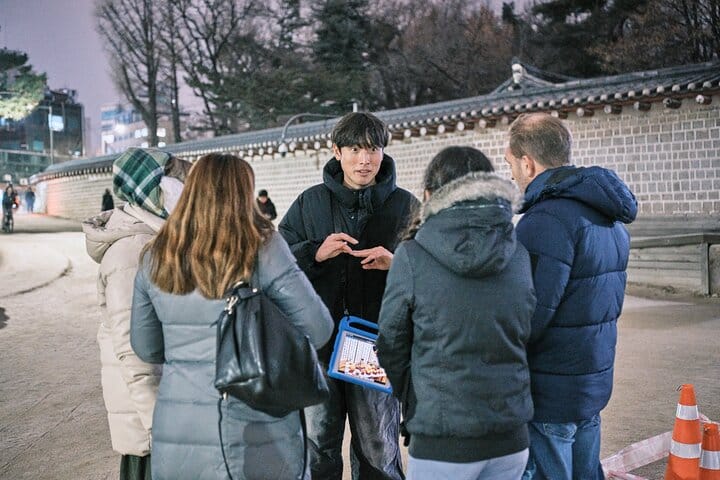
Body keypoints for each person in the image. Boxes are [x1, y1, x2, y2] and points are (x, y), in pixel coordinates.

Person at [130, 153, 334, 480]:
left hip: (178, 430)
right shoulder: (262, 247)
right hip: (254, 430)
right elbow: (318, 327)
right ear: (244, 193)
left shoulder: (155, 255)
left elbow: (146, 348)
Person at [376, 146, 536, 480]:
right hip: (511, 437)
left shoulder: (412, 255)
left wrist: (416, 398)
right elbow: (524, 332)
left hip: (442, 440)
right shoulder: (517, 252)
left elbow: (391, 344)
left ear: (429, 195)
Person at [279, 111, 418, 480]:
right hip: (320, 345)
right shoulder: (309, 203)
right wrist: (315, 252)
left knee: (377, 447)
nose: (365, 160)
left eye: (373, 149)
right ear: (337, 152)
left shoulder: (405, 206)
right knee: (318, 446)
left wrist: (398, 263)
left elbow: (433, 270)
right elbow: (276, 263)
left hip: (375, 345)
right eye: (355, 149)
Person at [503, 113, 637, 480]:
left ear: (527, 163)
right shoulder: (608, 216)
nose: (512, 175)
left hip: (550, 390)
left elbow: (529, 314)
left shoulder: (545, 221)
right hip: (590, 380)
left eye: (511, 165)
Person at [82, 147, 192, 480]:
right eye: (179, 183)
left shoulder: (156, 239)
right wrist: (162, 427)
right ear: (157, 191)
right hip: (151, 425)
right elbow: (135, 352)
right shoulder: (132, 252)